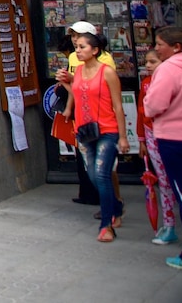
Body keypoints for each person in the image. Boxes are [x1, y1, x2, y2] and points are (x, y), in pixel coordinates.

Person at [60, 28, 129, 242]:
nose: (77, 50)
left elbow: (118, 105)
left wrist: (123, 136)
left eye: (82, 47)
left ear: (95, 50)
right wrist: (66, 82)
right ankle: (116, 208)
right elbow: (79, 93)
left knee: (101, 174)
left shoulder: (107, 71)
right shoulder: (78, 72)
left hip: (107, 129)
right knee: (93, 176)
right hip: (85, 130)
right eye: (76, 47)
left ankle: (106, 225)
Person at [56, 21, 120, 207]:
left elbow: (102, 87)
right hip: (83, 116)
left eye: (79, 37)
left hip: (103, 117)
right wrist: (69, 106)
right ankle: (102, 201)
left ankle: (113, 203)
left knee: (107, 168)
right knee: (89, 166)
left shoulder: (105, 62)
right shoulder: (75, 59)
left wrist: (122, 135)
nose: (75, 42)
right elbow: (76, 88)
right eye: (73, 37)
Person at [145, 26, 182, 270]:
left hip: (174, 139)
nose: (157, 48)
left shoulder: (168, 69)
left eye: (160, 44)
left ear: (176, 47)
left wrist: (149, 105)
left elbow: (154, 105)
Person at [138, 48, 179, 245]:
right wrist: (141, 140)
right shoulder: (145, 84)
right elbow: (141, 113)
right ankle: (169, 224)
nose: (148, 65)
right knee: (163, 181)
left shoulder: (173, 78)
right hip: (152, 135)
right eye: (146, 61)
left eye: (153, 62)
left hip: (173, 135)